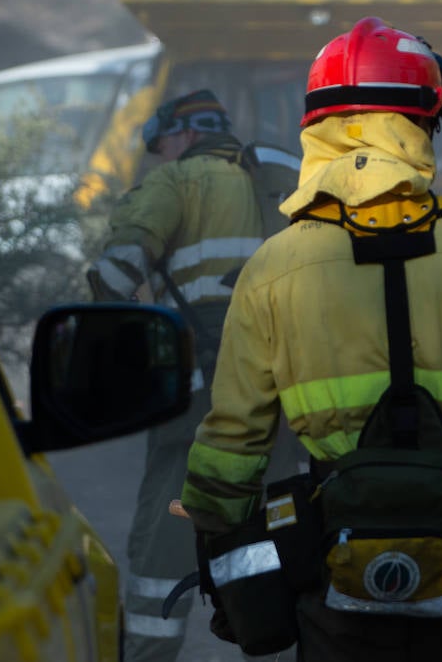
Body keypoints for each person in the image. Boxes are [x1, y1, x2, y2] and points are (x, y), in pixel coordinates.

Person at [179, 17, 442, 662]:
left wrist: (211, 522)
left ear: (316, 127)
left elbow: (234, 437)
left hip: (332, 559)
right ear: (423, 123)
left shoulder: (274, 264)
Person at [86, 88, 291, 662]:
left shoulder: (178, 181)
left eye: (163, 145)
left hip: (204, 395)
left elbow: (119, 270)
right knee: (280, 529)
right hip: (287, 391)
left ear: (184, 133)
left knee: (161, 541)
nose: (160, 157)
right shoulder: (276, 181)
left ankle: (150, 654)